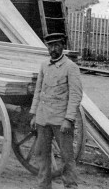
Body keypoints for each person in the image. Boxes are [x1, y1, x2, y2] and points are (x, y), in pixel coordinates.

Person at [30, 33, 83, 189]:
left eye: (57, 45)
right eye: (50, 46)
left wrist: (68, 119)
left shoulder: (71, 67)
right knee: (41, 154)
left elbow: (75, 95)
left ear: (63, 46)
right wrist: (34, 114)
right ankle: (43, 186)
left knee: (67, 157)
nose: (53, 49)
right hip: (43, 119)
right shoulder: (44, 66)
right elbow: (38, 91)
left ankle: (70, 186)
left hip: (61, 121)